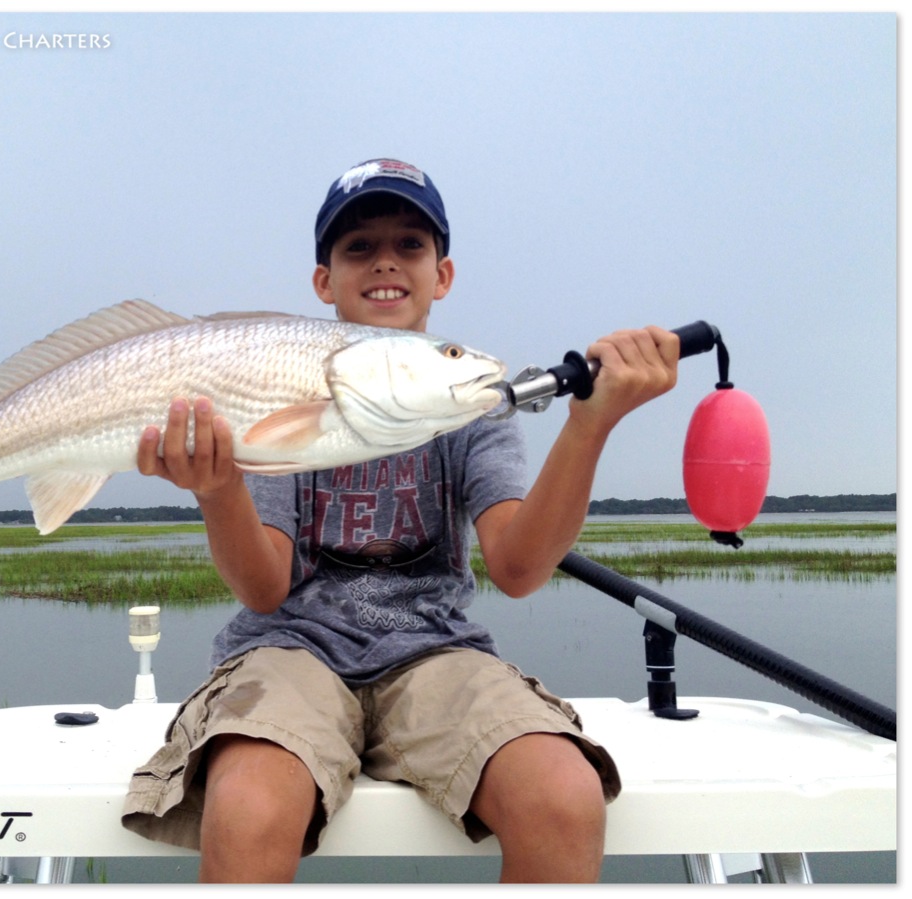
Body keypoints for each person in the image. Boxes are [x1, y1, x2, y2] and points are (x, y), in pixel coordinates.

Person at [121, 158, 679, 883]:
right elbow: (263, 589)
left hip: (436, 650)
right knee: (251, 806)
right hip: (288, 649)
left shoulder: (473, 403)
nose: (385, 260)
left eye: (410, 244)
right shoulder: (279, 382)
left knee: (564, 796)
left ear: (442, 274)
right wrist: (220, 489)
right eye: (358, 247)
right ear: (323, 281)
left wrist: (590, 427)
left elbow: (516, 567)